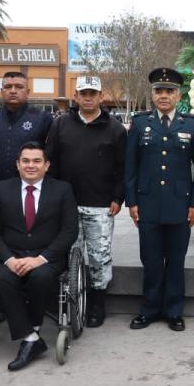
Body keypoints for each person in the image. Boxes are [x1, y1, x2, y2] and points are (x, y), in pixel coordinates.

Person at [0, 142, 78, 371]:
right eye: (25, 161)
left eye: (36, 161)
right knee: (1, 279)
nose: (31, 165)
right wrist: (9, 259)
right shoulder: (0, 190)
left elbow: (69, 231)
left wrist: (41, 258)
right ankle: (31, 337)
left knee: (40, 277)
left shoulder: (62, 190)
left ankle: (31, 329)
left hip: (47, 258)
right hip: (11, 256)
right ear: (17, 164)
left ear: (46, 165)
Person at [126, 68, 194, 332]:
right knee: (150, 261)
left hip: (180, 205)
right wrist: (132, 202)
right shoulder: (140, 124)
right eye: (159, 91)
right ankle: (149, 310)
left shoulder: (192, 125)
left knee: (175, 261)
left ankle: (174, 311)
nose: (164, 96)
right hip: (147, 204)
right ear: (152, 95)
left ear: (178, 95)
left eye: (169, 91)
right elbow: (131, 167)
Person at [45, 76, 126, 328]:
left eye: (93, 93)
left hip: (101, 206)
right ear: (76, 96)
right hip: (67, 204)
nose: (88, 98)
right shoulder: (60, 125)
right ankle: (71, 302)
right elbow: (51, 163)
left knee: (99, 258)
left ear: (101, 96)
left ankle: (97, 304)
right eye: (83, 93)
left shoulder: (115, 129)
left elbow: (122, 168)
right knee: (71, 255)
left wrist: (117, 197)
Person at [0, 71, 53, 198]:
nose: (13, 91)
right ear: (1, 91)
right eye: (8, 87)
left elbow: (51, 155)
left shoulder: (43, 118)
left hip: (31, 192)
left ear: (27, 92)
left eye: (19, 87)